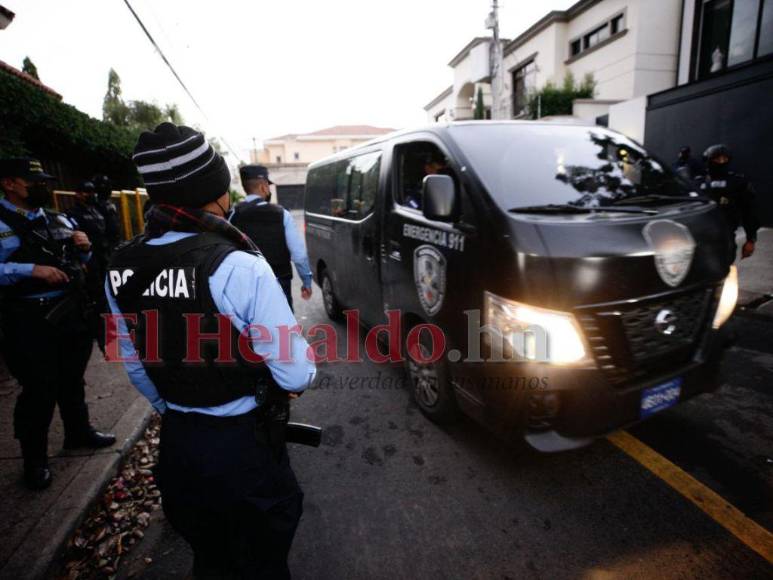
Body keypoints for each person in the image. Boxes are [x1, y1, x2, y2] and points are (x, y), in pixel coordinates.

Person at [105, 124, 315, 578]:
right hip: (243, 448)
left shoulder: (120, 265)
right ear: (218, 190)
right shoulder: (239, 266)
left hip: (180, 446)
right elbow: (295, 373)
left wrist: (179, 408)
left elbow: (136, 366)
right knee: (261, 560)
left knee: (210, 557)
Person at [0, 158, 115, 490]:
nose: (42, 187)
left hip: (70, 312)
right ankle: (34, 460)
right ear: (9, 183)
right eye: (33, 181)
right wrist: (30, 270)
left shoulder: (58, 218)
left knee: (72, 378)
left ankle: (78, 432)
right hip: (28, 318)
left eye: (44, 181)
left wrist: (85, 249)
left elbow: (81, 262)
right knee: (39, 387)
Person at [229, 165, 312, 311]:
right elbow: (299, 255)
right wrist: (306, 282)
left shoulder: (232, 215)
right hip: (279, 281)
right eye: (268, 185)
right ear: (263, 187)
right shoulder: (282, 214)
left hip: (247, 283)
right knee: (282, 321)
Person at [699, 144, 758, 262]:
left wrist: (751, 240)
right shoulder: (697, 182)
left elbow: (749, 212)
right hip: (700, 237)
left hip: (725, 237)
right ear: (708, 160)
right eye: (717, 159)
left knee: (726, 269)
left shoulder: (737, 182)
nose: (721, 162)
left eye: (724, 159)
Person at [92, 174, 122, 252]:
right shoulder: (94, 204)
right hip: (105, 244)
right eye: (107, 185)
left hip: (115, 241)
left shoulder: (109, 203)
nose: (110, 188)